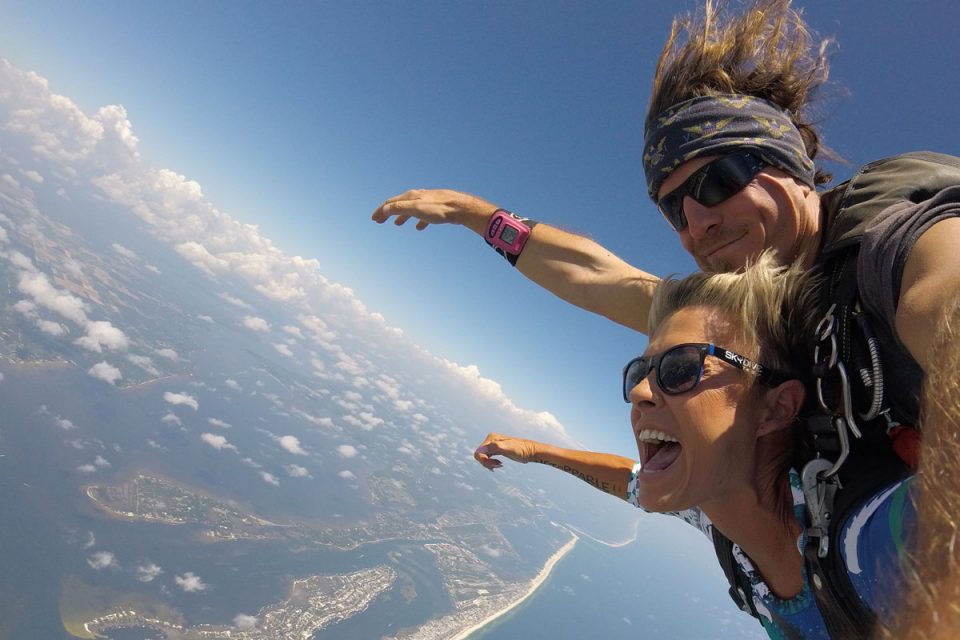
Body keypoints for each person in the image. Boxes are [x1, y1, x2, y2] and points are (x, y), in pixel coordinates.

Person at [372, 1, 960, 635]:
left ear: (788, 166)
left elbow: (946, 308)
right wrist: (480, 216)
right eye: (673, 210)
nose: (696, 223)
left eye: (718, 180)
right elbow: (600, 278)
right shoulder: (740, 325)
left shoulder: (900, 244)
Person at [472, 255, 915, 639]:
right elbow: (630, 481)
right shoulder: (725, 528)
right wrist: (535, 451)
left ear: (775, 410)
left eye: (680, 368)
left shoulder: (884, 537)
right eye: (638, 372)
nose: (640, 392)